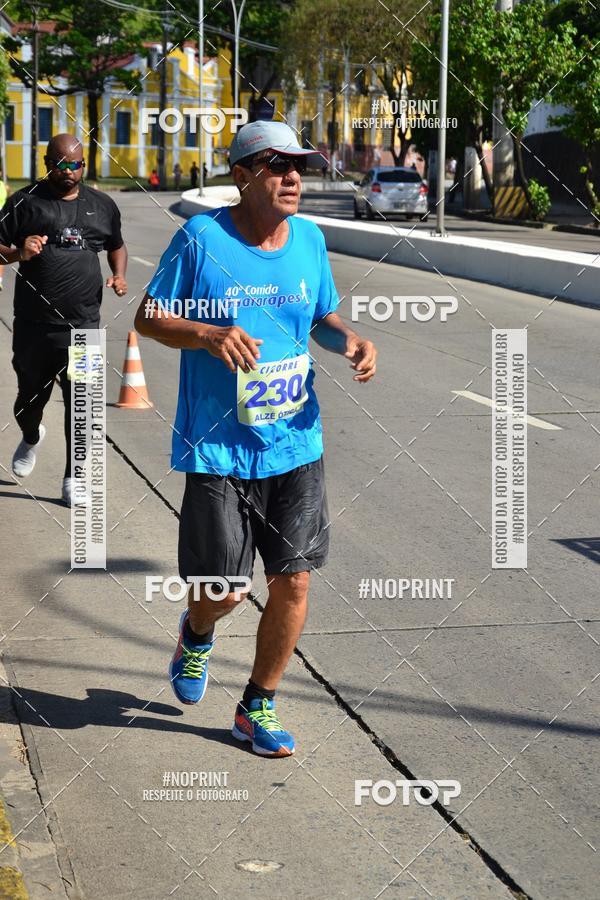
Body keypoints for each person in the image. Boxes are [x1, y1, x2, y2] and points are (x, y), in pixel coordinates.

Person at [135, 121, 376, 758]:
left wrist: (347, 339)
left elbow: (320, 317)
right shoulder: (201, 238)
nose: (294, 176)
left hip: (295, 442)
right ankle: (196, 630)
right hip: (219, 447)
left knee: (293, 582)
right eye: (277, 165)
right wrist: (208, 336)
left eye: (299, 164)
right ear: (243, 176)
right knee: (225, 590)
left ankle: (256, 705)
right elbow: (147, 315)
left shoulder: (310, 241)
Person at [0, 133, 128, 505]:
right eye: (60, 164)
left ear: (83, 165)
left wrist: (119, 275)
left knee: (82, 404)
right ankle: (30, 435)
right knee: (28, 401)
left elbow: (116, 244)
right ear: (46, 163)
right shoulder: (24, 202)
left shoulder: (102, 205)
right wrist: (17, 253)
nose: (67, 171)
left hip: (85, 324)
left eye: (75, 164)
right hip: (34, 326)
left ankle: (75, 477)